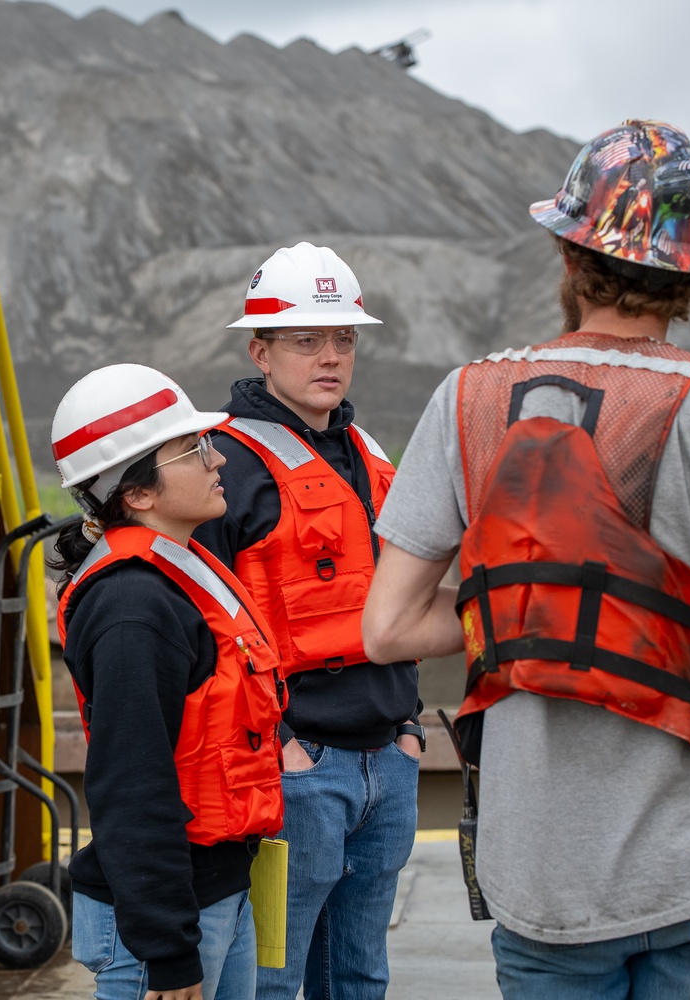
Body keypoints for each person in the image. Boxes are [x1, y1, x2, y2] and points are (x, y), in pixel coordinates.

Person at [361, 119, 690, 1000]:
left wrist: (522, 604)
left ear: (570, 256)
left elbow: (387, 630)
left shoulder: (467, 396)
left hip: (542, 877)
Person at [191, 242, 423, 1000]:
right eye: (306, 340)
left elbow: (397, 595)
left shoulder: (370, 452)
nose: (331, 356)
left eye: (344, 338)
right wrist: (285, 746)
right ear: (260, 350)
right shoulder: (222, 468)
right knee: (270, 979)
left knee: (360, 977)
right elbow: (205, 627)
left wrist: (412, 725)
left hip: (387, 758)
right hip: (299, 768)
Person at [49, 363, 287, 1000]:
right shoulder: (133, 607)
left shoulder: (180, 572)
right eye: (192, 449)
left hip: (212, 892)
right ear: (137, 494)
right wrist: (169, 952)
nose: (217, 462)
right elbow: (132, 783)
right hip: (165, 925)